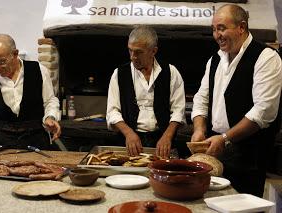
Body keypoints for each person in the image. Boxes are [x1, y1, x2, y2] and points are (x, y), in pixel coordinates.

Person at [191, 4, 282, 197]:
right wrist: (199, 128)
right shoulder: (215, 60)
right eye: (214, 29)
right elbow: (201, 98)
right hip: (215, 147)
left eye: (222, 28)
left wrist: (225, 138)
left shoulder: (265, 57)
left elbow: (263, 111)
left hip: (248, 154)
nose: (217, 35)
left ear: (241, 27)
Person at [106, 25, 187, 159]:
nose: (133, 57)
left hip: (162, 141)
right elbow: (112, 111)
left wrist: (167, 136)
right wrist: (128, 133)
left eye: (138, 52)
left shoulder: (171, 72)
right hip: (129, 141)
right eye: (130, 51)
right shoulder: (119, 74)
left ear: (153, 51)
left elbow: (178, 110)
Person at [0, 34, 61, 150]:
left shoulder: (38, 71)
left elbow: (50, 100)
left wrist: (50, 117)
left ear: (15, 54)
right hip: (1, 142)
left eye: (2, 62)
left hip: (36, 139)